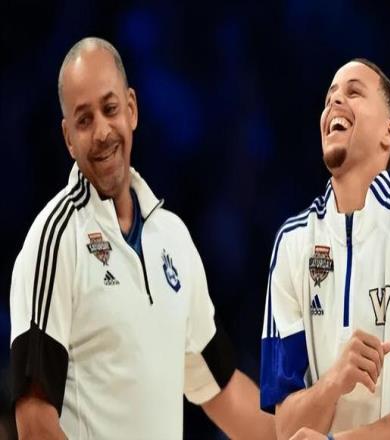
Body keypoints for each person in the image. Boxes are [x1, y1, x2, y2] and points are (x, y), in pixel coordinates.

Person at [10, 37, 274, 440]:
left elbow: (224, 392)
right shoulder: (55, 239)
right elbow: (34, 422)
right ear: (68, 138)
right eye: (84, 120)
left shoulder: (174, 237)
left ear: (131, 109)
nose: (102, 131)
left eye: (110, 109)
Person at [260, 58, 390, 440]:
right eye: (329, 98)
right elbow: (285, 426)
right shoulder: (291, 243)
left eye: (353, 92)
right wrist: (334, 381)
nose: (335, 102)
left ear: (389, 132)